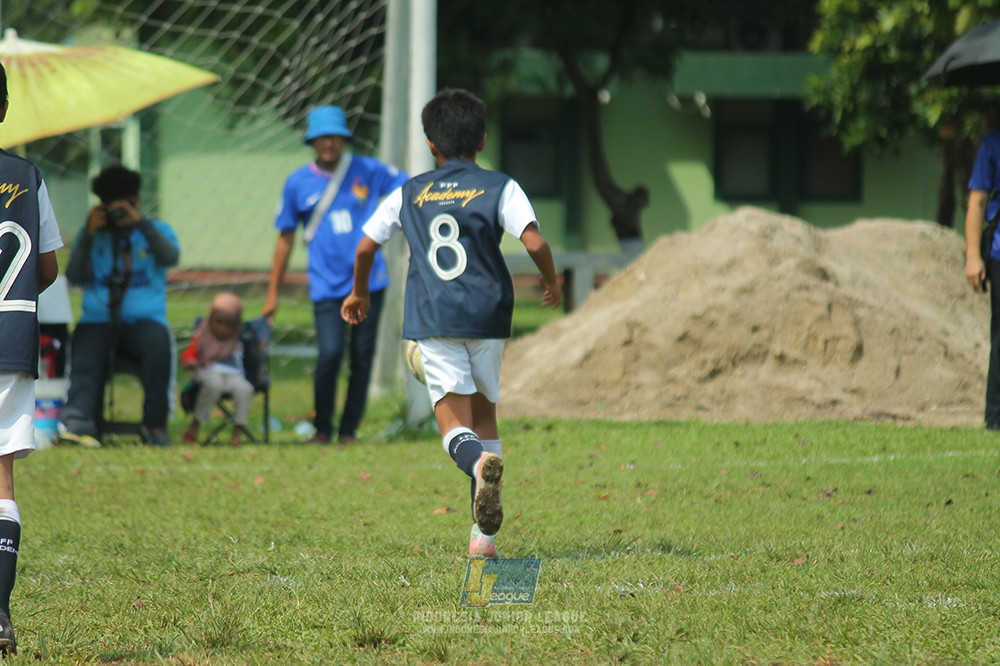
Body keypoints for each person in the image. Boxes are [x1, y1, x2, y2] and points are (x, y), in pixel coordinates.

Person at [341, 88, 561, 558]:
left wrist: (359, 292)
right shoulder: (502, 186)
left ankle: (478, 465)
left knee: (455, 429)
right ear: (481, 140)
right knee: (485, 418)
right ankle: (483, 539)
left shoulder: (409, 191)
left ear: (431, 145)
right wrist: (552, 284)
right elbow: (536, 244)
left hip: (435, 317)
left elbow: (364, 247)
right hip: (488, 317)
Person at [264, 105, 407, 444]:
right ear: (311, 141)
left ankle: (348, 430)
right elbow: (285, 238)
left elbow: (409, 186)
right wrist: (273, 292)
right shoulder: (297, 182)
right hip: (327, 286)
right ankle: (322, 428)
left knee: (362, 358)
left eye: (335, 137)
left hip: (370, 282)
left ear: (345, 139)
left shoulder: (368, 169)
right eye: (321, 137)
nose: (328, 143)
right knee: (329, 354)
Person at [0, 60, 64, 654]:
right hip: (11, 341)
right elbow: (46, 267)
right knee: (1, 481)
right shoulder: (26, 173)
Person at [59, 165, 180, 447]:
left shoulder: (157, 231)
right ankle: (79, 424)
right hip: (98, 320)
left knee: (158, 344)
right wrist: (88, 235)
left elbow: (170, 257)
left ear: (136, 201)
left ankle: (155, 426)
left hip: (145, 322)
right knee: (85, 349)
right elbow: (74, 277)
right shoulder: (92, 234)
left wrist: (142, 224)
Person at [181, 293, 255, 446]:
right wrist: (190, 362)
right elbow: (189, 354)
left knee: (245, 389)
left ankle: (237, 433)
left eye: (229, 325)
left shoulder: (238, 340)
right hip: (208, 371)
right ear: (210, 319)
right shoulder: (202, 335)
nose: (222, 328)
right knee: (214, 384)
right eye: (218, 322)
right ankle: (195, 426)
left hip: (233, 375)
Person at [966, 130, 1000, 430]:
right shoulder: (993, 145)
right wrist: (973, 256)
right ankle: (996, 418)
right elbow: (978, 200)